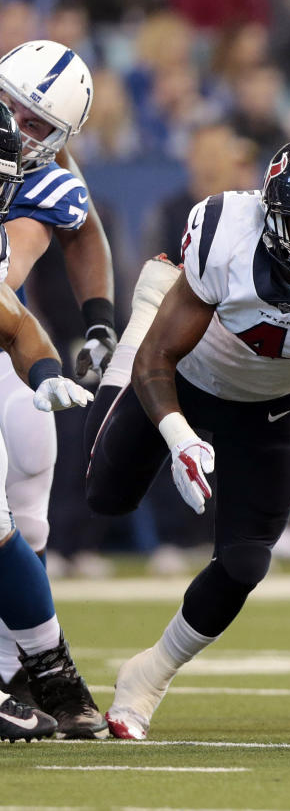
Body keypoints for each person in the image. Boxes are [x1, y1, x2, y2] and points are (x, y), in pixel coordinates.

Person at [83, 137, 290, 740]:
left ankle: (148, 678)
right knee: (104, 496)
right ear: (273, 219)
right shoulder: (228, 234)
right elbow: (159, 359)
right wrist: (179, 436)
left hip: (268, 403)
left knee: (244, 561)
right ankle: (146, 307)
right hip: (182, 371)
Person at [0, 40, 116, 695]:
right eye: (7, 109)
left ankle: (19, 669)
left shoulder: (48, 178)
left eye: (35, 123)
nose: (15, 128)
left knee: (28, 503)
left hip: (9, 346)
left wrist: (99, 321)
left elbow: (12, 280)